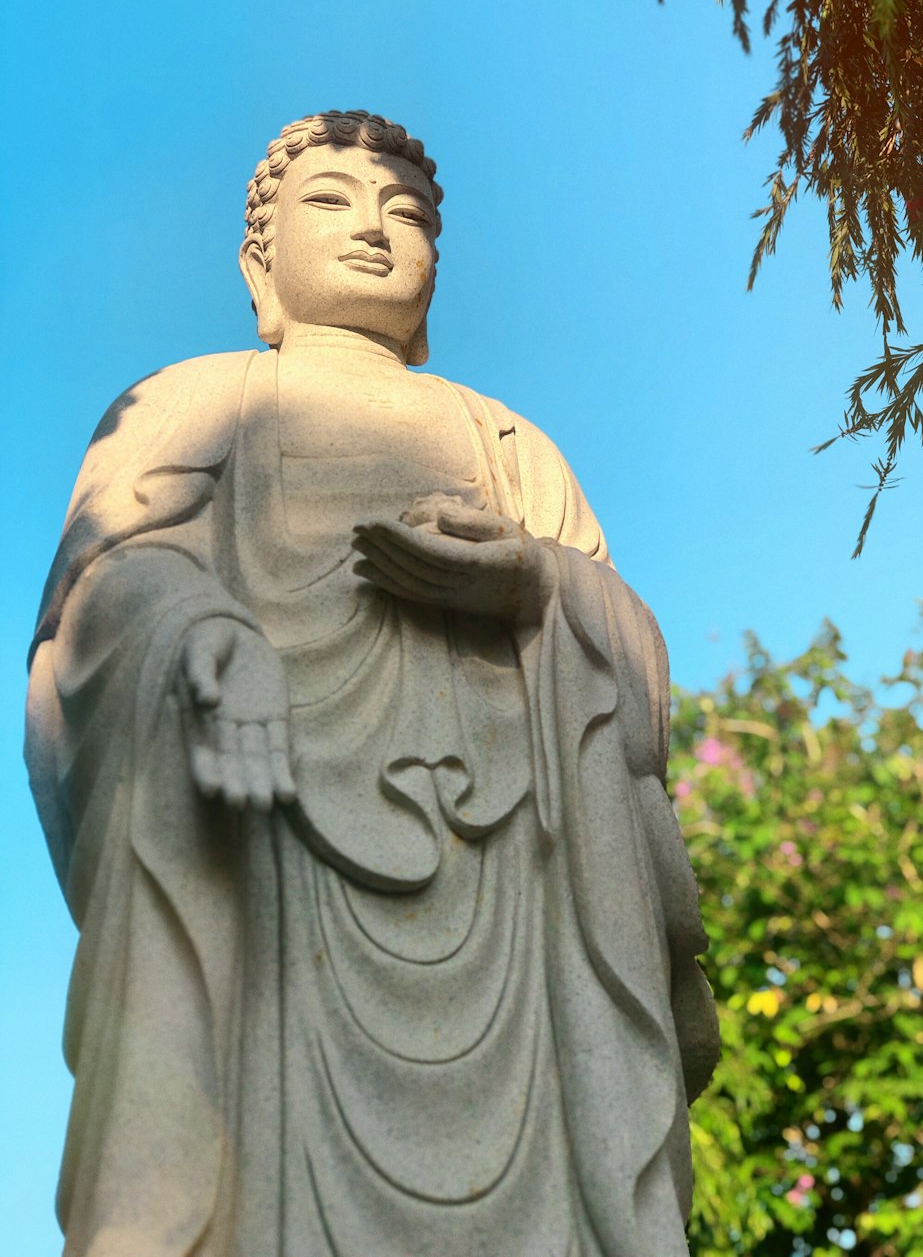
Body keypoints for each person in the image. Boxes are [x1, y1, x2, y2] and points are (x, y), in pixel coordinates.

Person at [26, 110, 720, 1256]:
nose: (374, 228)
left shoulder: (510, 445)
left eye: (406, 213)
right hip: (267, 858)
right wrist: (202, 633)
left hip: (515, 883)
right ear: (262, 262)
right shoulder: (197, 401)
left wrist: (532, 585)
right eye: (332, 203)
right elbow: (99, 590)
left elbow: (630, 652)